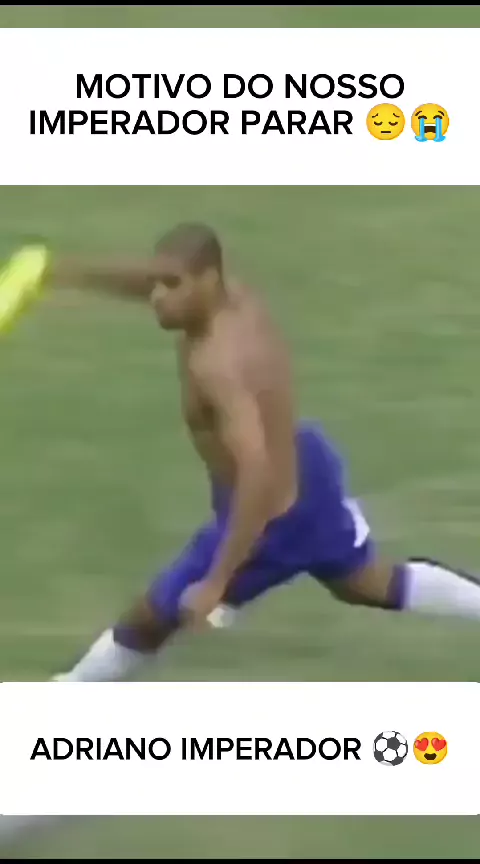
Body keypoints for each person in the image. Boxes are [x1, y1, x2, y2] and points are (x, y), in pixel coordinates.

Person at [49, 221, 480, 683]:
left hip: (269, 515)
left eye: (170, 286)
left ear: (207, 281)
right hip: (308, 465)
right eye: (155, 283)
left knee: (148, 621)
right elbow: (159, 279)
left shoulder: (216, 365)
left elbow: (256, 471)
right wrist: (65, 274)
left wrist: (216, 581)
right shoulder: (235, 298)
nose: (156, 296)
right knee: (365, 583)